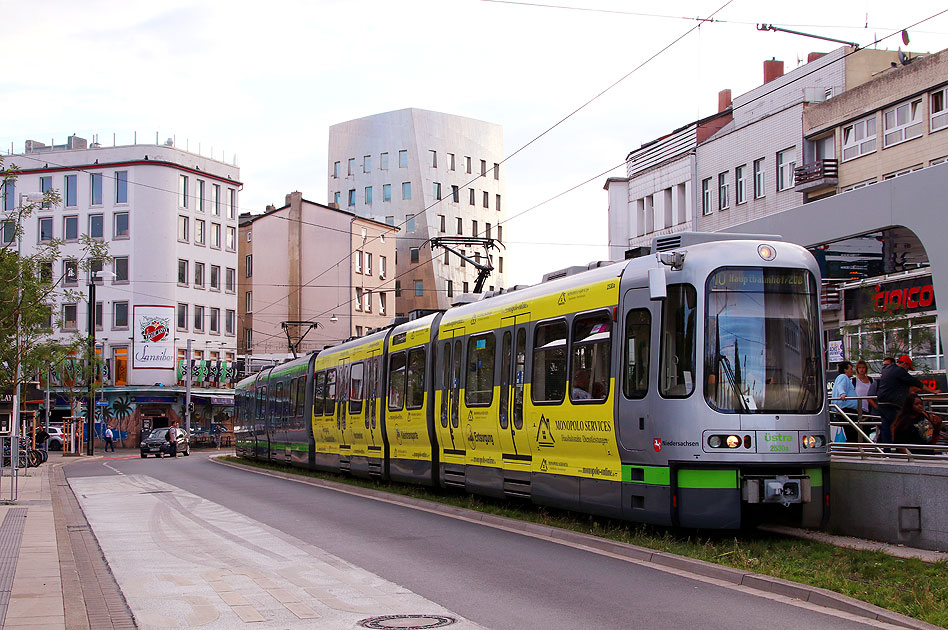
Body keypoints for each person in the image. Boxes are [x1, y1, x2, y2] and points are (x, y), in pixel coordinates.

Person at [874, 355, 938, 444]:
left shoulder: (887, 369)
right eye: (908, 368)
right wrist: (932, 391)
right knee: (899, 426)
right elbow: (916, 382)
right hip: (893, 404)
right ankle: (901, 448)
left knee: (886, 427)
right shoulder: (900, 370)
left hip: (882, 403)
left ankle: (886, 450)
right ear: (905, 364)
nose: (907, 371)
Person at [832, 361, 858, 441]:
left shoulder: (844, 378)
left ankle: (853, 446)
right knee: (851, 432)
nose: (852, 370)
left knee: (851, 431)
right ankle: (852, 448)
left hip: (847, 409)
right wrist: (842, 394)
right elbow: (841, 386)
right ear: (845, 369)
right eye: (850, 368)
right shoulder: (843, 377)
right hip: (846, 409)